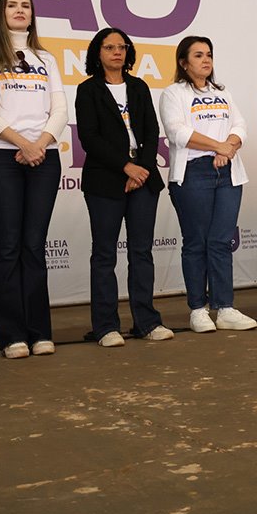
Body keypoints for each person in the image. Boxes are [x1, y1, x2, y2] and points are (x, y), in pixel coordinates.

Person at [0, 0, 67, 358]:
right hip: (0, 157)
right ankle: (12, 335)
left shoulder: (46, 58)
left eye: (26, 5)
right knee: (8, 245)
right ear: (1, 13)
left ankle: (40, 332)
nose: (20, 10)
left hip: (44, 157)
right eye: (12, 5)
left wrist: (39, 144)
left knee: (34, 245)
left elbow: (60, 111)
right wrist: (22, 144)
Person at [75, 28, 173, 344]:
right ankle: (106, 326)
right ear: (98, 53)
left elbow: (151, 130)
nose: (117, 52)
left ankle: (147, 322)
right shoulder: (88, 90)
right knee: (105, 254)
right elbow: (89, 138)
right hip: (105, 179)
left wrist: (140, 168)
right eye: (109, 47)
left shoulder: (139, 86)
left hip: (143, 177)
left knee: (141, 252)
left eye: (122, 47)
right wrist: (125, 166)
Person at [160, 36, 257, 333]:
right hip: (193, 172)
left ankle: (225, 308)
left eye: (209, 55)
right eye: (198, 55)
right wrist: (218, 146)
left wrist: (227, 149)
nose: (206, 60)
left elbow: (240, 126)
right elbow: (177, 132)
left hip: (227, 171)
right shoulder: (173, 93)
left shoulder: (222, 92)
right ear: (183, 62)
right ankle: (197, 309)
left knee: (220, 241)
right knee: (196, 242)